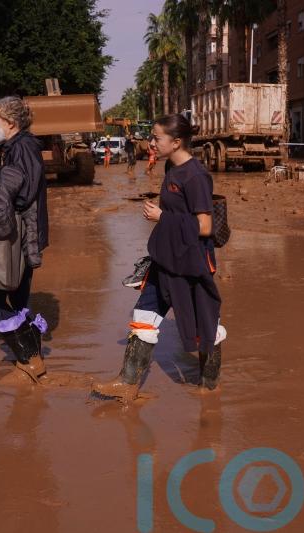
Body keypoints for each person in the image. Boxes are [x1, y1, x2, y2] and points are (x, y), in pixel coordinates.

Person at [92, 114, 226, 402]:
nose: (151, 142)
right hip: (165, 258)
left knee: (205, 323)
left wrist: (163, 216)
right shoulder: (170, 167)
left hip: (191, 262)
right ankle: (126, 383)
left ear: (176, 142)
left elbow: (205, 226)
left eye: (156, 138)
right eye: (151, 137)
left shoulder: (197, 176)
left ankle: (209, 387)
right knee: (143, 315)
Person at [0, 95, 49, 383]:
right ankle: (34, 362)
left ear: (11, 123)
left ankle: (28, 358)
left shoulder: (23, 147)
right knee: (17, 299)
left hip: (22, 234)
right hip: (24, 233)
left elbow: (24, 192)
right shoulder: (18, 146)